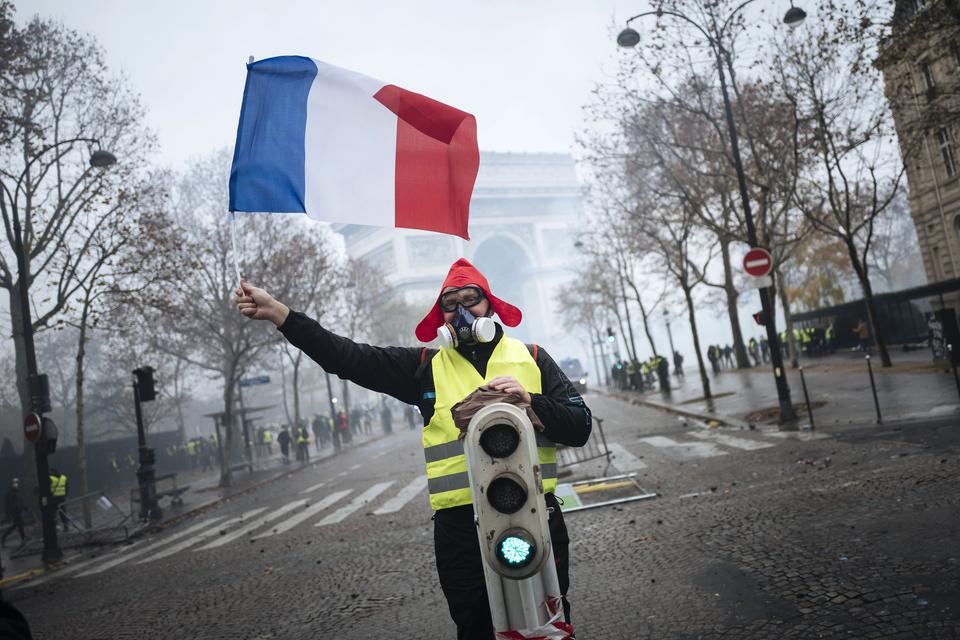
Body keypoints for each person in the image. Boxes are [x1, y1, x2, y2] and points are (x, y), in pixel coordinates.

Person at [235, 257, 591, 639]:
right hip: (461, 528)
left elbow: (580, 426)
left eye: (470, 299)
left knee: (549, 619)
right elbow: (348, 357)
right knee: (474, 627)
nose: (461, 312)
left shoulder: (534, 358)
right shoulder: (425, 367)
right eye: (449, 305)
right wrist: (281, 315)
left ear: (490, 305)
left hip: (535, 513)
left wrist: (531, 403)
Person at [2, 477, 26, 549]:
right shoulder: (10, 494)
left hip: (18, 511)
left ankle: (4, 537)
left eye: (17, 483)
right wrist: (9, 515)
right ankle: (23, 539)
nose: (16, 484)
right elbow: (9, 505)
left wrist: (24, 507)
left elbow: (20, 501)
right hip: (15, 512)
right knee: (20, 525)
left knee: (17, 525)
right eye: (15, 483)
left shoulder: (16, 492)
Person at [49, 467, 68, 532]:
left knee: (53, 514)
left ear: (52, 472)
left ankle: (56, 528)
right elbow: (67, 488)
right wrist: (64, 495)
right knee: (63, 513)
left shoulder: (50, 478)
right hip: (62, 498)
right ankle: (66, 527)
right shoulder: (63, 478)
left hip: (54, 499)